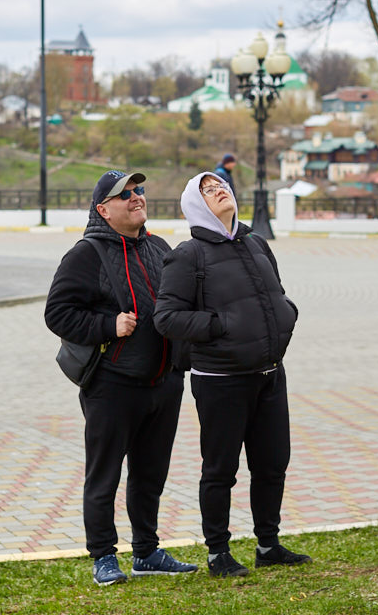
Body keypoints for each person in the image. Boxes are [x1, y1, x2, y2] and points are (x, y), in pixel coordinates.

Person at [154, 171, 310, 578]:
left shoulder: (255, 242)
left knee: (273, 462)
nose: (219, 190)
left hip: (270, 373)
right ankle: (218, 552)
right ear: (194, 204)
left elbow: (275, 292)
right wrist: (221, 325)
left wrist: (286, 314)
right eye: (208, 189)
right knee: (221, 468)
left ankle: (268, 544)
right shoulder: (188, 255)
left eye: (222, 185)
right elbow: (166, 318)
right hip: (221, 379)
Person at [44, 170, 197, 586]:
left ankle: (146, 551)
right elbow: (57, 313)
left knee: (151, 473)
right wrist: (107, 326)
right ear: (103, 210)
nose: (136, 198)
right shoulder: (86, 254)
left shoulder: (159, 247)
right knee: (105, 474)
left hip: (163, 382)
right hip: (112, 384)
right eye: (124, 194)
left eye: (139, 191)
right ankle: (103, 557)